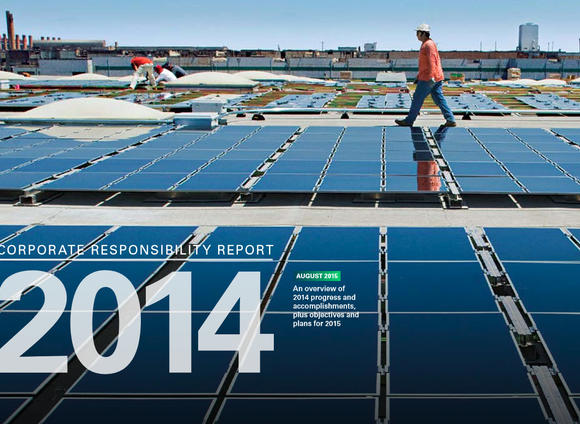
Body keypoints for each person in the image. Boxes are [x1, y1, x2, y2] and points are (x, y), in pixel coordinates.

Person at [396, 24, 456, 127]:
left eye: (417, 33)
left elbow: (431, 62)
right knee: (439, 98)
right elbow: (426, 64)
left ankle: (409, 120)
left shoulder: (428, 45)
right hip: (434, 77)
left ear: (423, 33)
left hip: (429, 78)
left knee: (417, 98)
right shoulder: (428, 44)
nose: (416, 35)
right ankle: (450, 119)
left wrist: (430, 78)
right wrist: (418, 76)